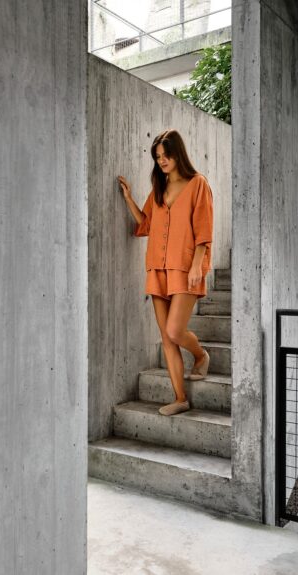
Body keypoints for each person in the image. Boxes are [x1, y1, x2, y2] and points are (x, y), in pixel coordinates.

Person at [118, 129, 213, 416]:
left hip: (185, 268)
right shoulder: (159, 189)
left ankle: (201, 354)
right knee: (167, 337)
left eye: (166, 155)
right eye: (157, 157)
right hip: (157, 268)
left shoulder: (198, 184)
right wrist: (129, 198)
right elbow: (146, 224)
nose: (161, 161)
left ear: (177, 154)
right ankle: (180, 398)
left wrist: (197, 265)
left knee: (175, 330)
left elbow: (204, 230)